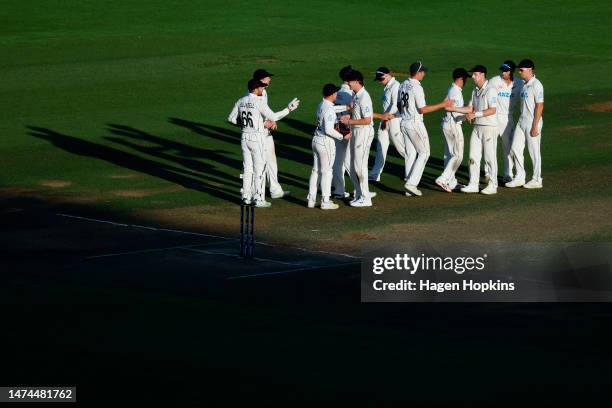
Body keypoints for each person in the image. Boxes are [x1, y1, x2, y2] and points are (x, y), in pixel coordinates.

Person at [228, 79, 300, 207]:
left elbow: (231, 118)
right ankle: (259, 199)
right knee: (259, 169)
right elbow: (274, 117)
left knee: (248, 168)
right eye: (261, 88)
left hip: (244, 137)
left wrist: (246, 125)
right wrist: (289, 109)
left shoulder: (241, 100)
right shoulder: (258, 102)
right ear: (255, 89)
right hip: (257, 139)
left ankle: (246, 197)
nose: (263, 90)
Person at [396, 61, 453, 197]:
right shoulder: (417, 87)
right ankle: (411, 184)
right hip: (415, 124)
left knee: (411, 154)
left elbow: (399, 105)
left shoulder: (403, 84)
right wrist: (443, 104)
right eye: (423, 71)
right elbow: (423, 109)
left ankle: (408, 185)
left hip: (403, 122)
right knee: (424, 153)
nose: (424, 74)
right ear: (418, 72)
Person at [447, 65, 499, 195]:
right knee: (472, 156)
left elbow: (493, 110)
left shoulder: (490, 90)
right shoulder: (475, 91)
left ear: (482, 75)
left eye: (475, 74)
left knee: (489, 157)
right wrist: (454, 109)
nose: (473, 77)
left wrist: (475, 115)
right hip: (477, 128)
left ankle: (493, 185)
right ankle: (473, 184)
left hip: (489, 127)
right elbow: (470, 108)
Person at [251, 69, 299, 199]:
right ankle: (255, 193)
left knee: (271, 162)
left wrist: (269, 120)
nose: (270, 79)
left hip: (264, 133)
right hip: (258, 135)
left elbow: (264, 112)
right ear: (260, 80)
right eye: (267, 78)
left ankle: (275, 189)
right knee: (260, 164)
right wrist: (288, 109)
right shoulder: (256, 96)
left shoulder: (262, 92)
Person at [307, 84, 352, 210]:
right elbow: (328, 129)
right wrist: (342, 137)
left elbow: (332, 110)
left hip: (316, 140)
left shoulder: (321, 105)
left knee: (316, 171)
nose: (337, 95)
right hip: (325, 143)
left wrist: (346, 107)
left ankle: (311, 200)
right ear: (332, 94)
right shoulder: (329, 109)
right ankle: (325, 201)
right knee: (327, 172)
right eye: (336, 93)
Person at [368, 67, 414, 183]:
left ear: (388, 75)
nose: (380, 81)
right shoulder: (387, 87)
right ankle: (375, 174)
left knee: (401, 148)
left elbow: (396, 105)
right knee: (381, 147)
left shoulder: (396, 86)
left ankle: (414, 170)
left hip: (394, 120)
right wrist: (384, 119)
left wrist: (386, 118)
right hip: (385, 120)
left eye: (381, 78)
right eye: (378, 79)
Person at [506, 59, 544, 189]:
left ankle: (537, 179)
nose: (519, 72)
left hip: (532, 121)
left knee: (534, 151)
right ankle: (520, 177)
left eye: (522, 70)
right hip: (521, 120)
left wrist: (535, 125)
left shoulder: (536, 85)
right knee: (515, 148)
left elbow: (540, 106)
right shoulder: (524, 84)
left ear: (530, 70)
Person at [339, 70, 375, 207]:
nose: (347, 83)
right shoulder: (356, 95)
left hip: (364, 133)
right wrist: (350, 116)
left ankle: (366, 198)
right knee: (354, 165)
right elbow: (357, 114)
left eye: (349, 81)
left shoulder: (364, 97)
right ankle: (360, 194)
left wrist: (349, 122)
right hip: (357, 132)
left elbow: (367, 120)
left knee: (359, 166)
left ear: (356, 81)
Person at [487, 60, 523, 183]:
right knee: (490, 146)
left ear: (511, 71)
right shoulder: (494, 81)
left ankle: (508, 174)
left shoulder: (519, 83)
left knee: (508, 148)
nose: (503, 72)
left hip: (508, 119)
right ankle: (488, 172)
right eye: (502, 70)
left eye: (505, 70)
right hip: (494, 116)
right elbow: (484, 93)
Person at [436, 67, 469, 192]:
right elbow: (455, 112)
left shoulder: (451, 89)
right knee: (458, 155)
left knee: (449, 154)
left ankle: (451, 182)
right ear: (460, 79)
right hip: (453, 125)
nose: (466, 81)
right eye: (465, 78)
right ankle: (443, 179)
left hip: (446, 124)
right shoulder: (456, 92)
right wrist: (468, 115)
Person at [331, 65, 354, 199]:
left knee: (339, 161)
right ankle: (360, 191)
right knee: (353, 162)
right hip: (348, 131)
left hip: (336, 131)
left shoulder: (337, 93)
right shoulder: (349, 94)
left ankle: (339, 190)